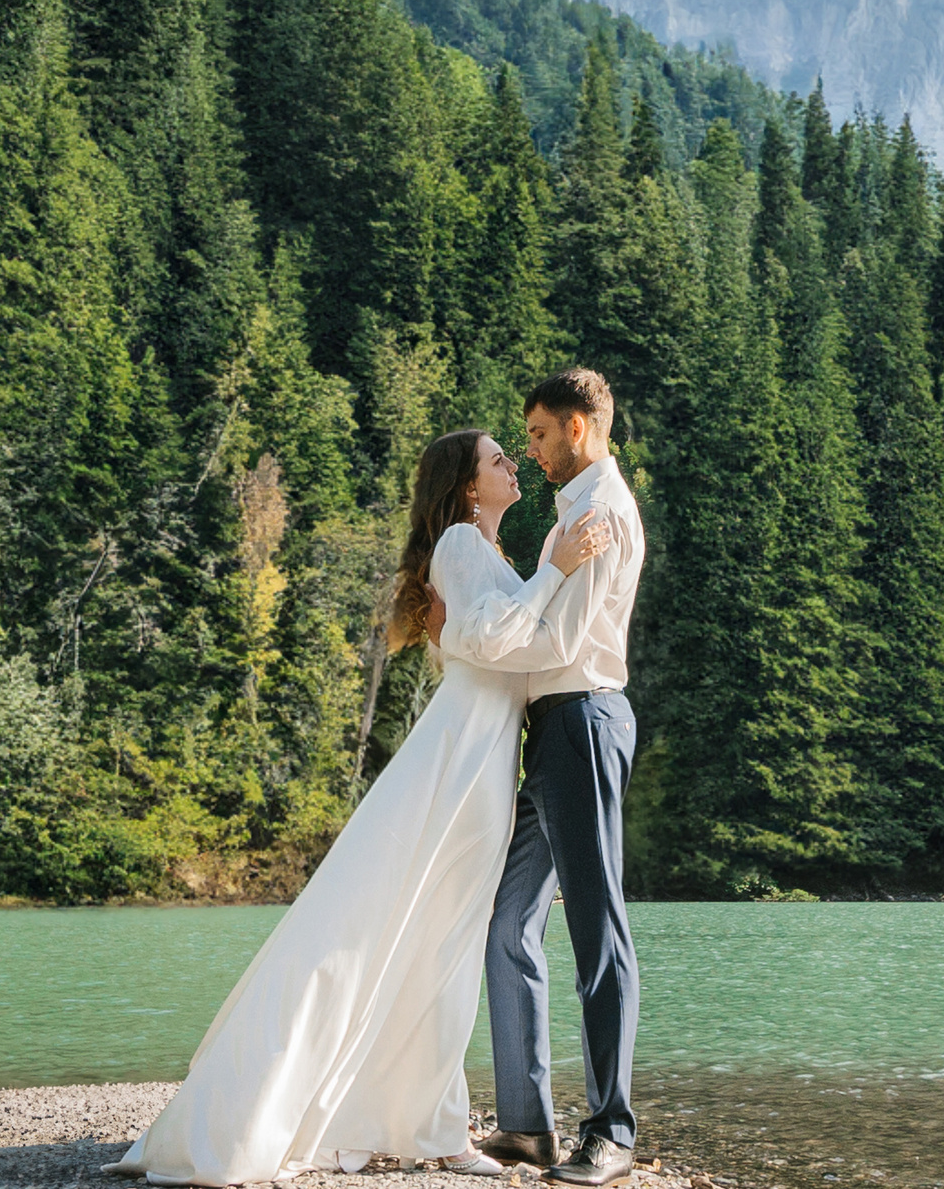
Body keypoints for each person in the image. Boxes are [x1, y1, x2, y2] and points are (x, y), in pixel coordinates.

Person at [106, 429, 612, 1186]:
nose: (514, 464)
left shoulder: (487, 554)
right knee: (422, 938)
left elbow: (512, 640)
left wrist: (556, 584)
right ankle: (430, 1132)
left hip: (478, 760)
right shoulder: (462, 547)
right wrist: (556, 571)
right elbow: (483, 637)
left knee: (435, 943)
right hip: (461, 763)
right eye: (499, 459)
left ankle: (424, 1121)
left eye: (514, 453)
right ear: (470, 487)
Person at [428, 368, 647, 1188]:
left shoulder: (595, 513)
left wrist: (472, 642)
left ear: (580, 429)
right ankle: (527, 1125)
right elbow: (540, 628)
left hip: (583, 721)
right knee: (510, 918)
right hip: (553, 731)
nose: (531, 448)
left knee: (598, 929)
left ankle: (612, 1131)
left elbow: (557, 645)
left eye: (541, 435)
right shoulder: (570, 512)